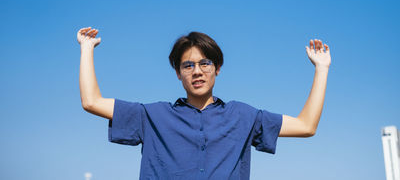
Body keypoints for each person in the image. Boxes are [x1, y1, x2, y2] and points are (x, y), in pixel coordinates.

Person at [77, 27, 331, 180]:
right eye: (188, 65)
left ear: (217, 68)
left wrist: (321, 68)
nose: (197, 71)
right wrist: (87, 49)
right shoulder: (152, 116)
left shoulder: (243, 116)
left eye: (205, 63)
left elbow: (306, 126)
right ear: (178, 72)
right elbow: (92, 102)